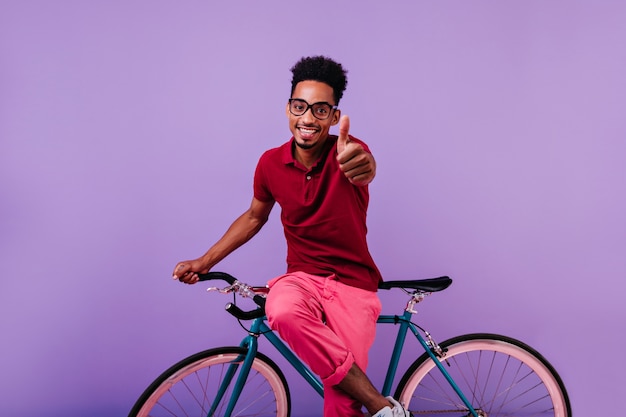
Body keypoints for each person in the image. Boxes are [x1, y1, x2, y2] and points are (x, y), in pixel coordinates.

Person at [172, 56, 409, 417]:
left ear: (333, 116)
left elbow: (364, 167)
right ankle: (384, 408)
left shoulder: (349, 152)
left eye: (320, 109)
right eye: (300, 106)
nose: (308, 118)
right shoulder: (270, 163)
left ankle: (371, 406)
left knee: (343, 404)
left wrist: (362, 165)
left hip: (354, 287)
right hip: (302, 279)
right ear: (288, 109)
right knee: (279, 308)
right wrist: (204, 262)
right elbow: (254, 217)